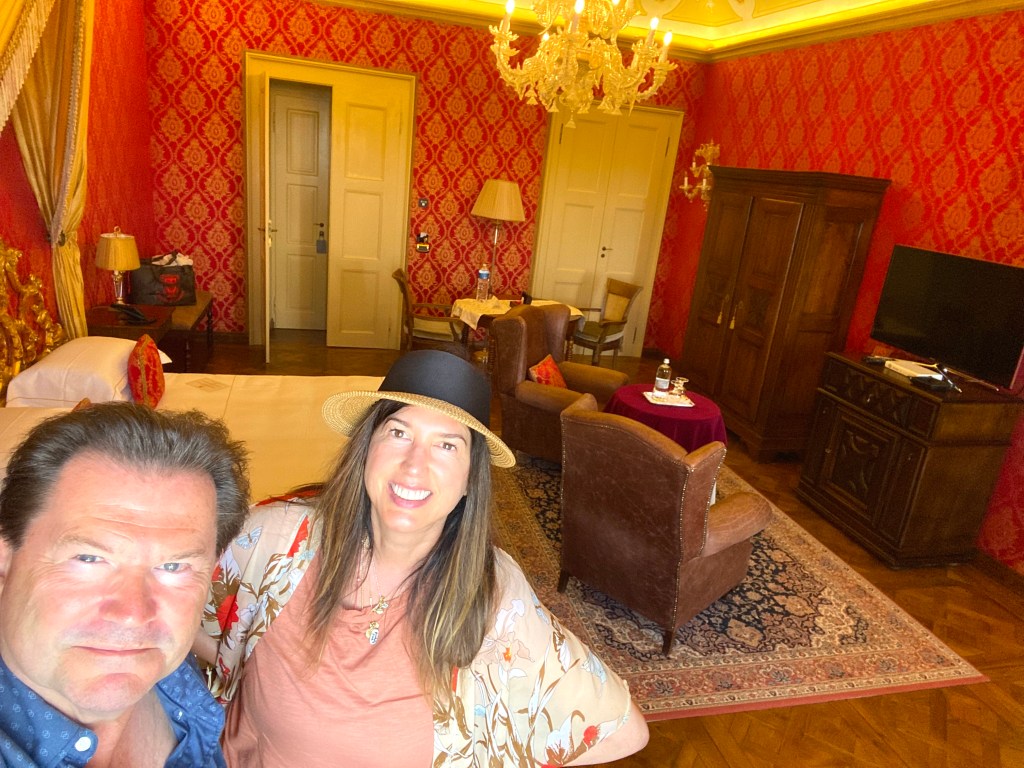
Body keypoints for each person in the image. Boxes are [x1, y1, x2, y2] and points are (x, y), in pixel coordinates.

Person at [198, 349, 649, 766]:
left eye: (447, 445)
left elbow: (623, 730)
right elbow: (181, 625)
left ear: (470, 479)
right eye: (399, 433)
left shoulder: (491, 591)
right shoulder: (274, 538)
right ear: (366, 449)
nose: (415, 465)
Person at [0, 402, 250, 768]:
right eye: (89, 558)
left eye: (173, 566)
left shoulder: (172, 673)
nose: (134, 614)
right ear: (5, 561)